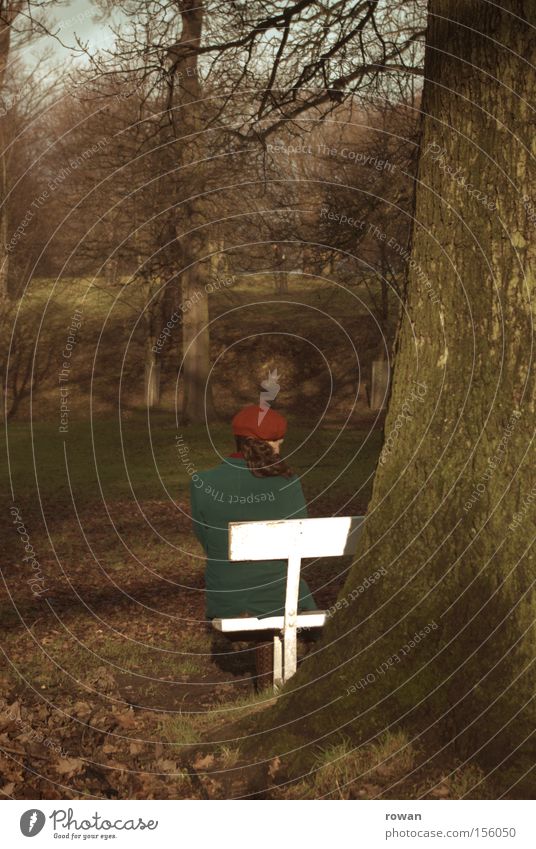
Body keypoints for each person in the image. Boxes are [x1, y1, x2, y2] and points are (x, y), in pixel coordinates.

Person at [190, 404, 317, 621]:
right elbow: (301, 541)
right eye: (277, 442)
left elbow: (206, 540)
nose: (279, 448)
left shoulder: (202, 482)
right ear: (266, 446)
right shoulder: (288, 483)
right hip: (283, 600)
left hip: (225, 600)